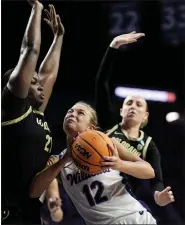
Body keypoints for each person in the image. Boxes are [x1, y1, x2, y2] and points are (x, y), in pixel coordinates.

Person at [95, 31, 183, 224]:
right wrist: (113, 47)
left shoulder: (148, 146)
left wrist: (159, 197)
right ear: (120, 111)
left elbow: (156, 181)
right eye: (129, 103)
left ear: (146, 116)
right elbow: (102, 85)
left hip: (123, 207)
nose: (133, 107)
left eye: (138, 104)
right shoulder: (108, 126)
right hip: (95, 200)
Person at [29, 101, 156, 224]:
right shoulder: (57, 161)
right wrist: (64, 160)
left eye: (80, 113)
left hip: (132, 217)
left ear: (91, 128)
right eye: (70, 111)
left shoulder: (107, 143)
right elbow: (34, 192)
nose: (72, 114)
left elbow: (149, 171)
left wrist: (120, 165)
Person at [1, 0, 64, 224]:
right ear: (18, 83)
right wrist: (36, 8)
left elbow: (48, 75)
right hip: (6, 210)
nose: (40, 85)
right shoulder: (11, 107)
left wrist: (58, 38)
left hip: (28, 211)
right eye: (32, 81)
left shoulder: (35, 113)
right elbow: (30, 50)